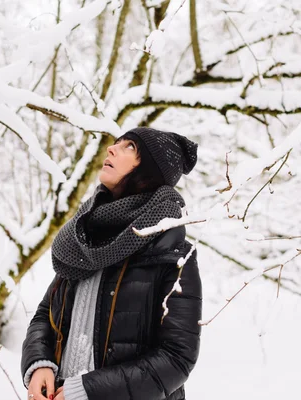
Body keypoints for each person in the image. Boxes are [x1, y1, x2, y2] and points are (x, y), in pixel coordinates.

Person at [20, 127, 202, 400]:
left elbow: (176, 359)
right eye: (117, 143)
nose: (112, 149)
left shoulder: (172, 252)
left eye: (130, 147)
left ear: (150, 171)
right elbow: (46, 314)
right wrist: (39, 363)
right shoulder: (84, 237)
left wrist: (87, 391)